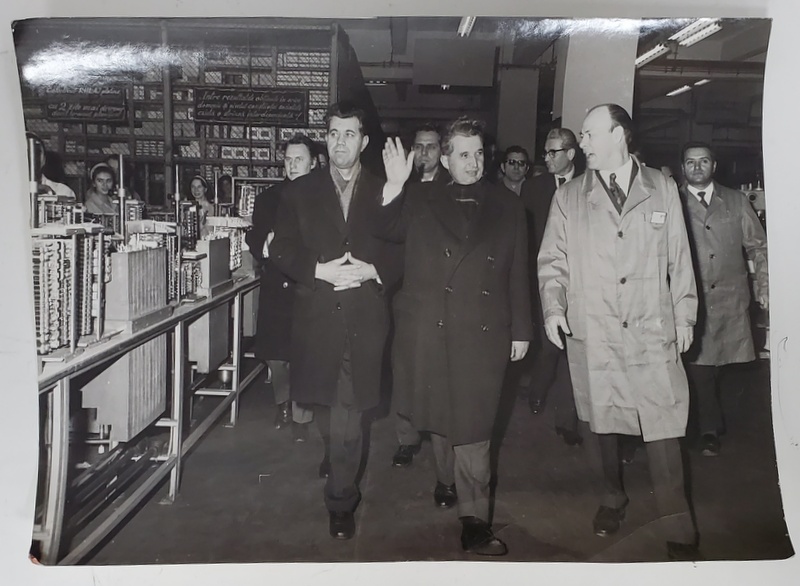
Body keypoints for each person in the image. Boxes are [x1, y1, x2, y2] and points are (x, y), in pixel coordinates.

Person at [538, 104, 701, 561]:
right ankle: (612, 498)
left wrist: (685, 315)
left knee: (664, 426)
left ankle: (677, 522)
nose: (582, 143)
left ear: (618, 135)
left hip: (651, 324)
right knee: (600, 424)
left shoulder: (662, 187)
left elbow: (679, 259)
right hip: (596, 325)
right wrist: (554, 308)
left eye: (589, 134)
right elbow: (553, 261)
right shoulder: (569, 196)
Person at [379, 118, 532, 556]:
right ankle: (446, 478)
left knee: (475, 427)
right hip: (432, 327)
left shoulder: (508, 205)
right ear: (444, 159)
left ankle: (474, 522)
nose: (474, 162)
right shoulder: (420, 198)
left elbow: (517, 270)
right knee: (444, 419)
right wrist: (392, 186)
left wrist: (522, 328)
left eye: (480, 153)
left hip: (484, 329)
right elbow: (384, 232)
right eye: (464, 154)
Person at [270, 102, 401, 541]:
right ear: (325, 139)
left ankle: (341, 499)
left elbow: (405, 247)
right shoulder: (300, 192)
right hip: (317, 318)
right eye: (333, 133)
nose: (340, 142)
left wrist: (374, 268)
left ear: (364, 141)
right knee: (328, 411)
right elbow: (280, 249)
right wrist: (318, 270)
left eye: (349, 134)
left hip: (364, 319)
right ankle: (336, 461)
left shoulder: (387, 190)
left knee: (348, 414)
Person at [678, 142, 769, 457]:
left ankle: (707, 423)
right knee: (700, 368)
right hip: (691, 301)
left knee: (721, 368)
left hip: (731, 301)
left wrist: (764, 286)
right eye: (691, 162)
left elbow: (758, 246)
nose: (697, 167)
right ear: (682, 167)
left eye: (703, 161)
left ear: (714, 166)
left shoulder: (736, 201)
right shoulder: (671, 202)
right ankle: (708, 430)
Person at [246, 135, 319, 441]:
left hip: (309, 285)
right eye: (288, 160)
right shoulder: (268, 198)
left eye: (299, 159)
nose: (292, 165)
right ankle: (283, 406)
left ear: (314, 163)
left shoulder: (325, 198)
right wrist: (264, 245)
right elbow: (255, 235)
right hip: (277, 284)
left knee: (305, 352)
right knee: (277, 354)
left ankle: (302, 416)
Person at [519, 128, 581, 446]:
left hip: (581, 281)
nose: (546, 158)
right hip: (544, 280)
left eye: (553, 152)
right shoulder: (534, 188)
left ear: (571, 153)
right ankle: (537, 391)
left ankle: (566, 420)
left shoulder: (589, 186)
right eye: (545, 152)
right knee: (548, 348)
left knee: (572, 351)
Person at [391, 123, 448, 469]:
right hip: (405, 291)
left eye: (431, 146)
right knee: (404, 368)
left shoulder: (453, 186)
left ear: (442, 150)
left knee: (439, 374)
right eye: (419, 146)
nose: (424, 153)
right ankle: (406, 437)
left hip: (442, 294)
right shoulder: (402, 186)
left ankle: (444, 460)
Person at [26, 132, 76, 200]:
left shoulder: (63, 192)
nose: (32, 158)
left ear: (44, 159)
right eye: (26, 152)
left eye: (37, 153)